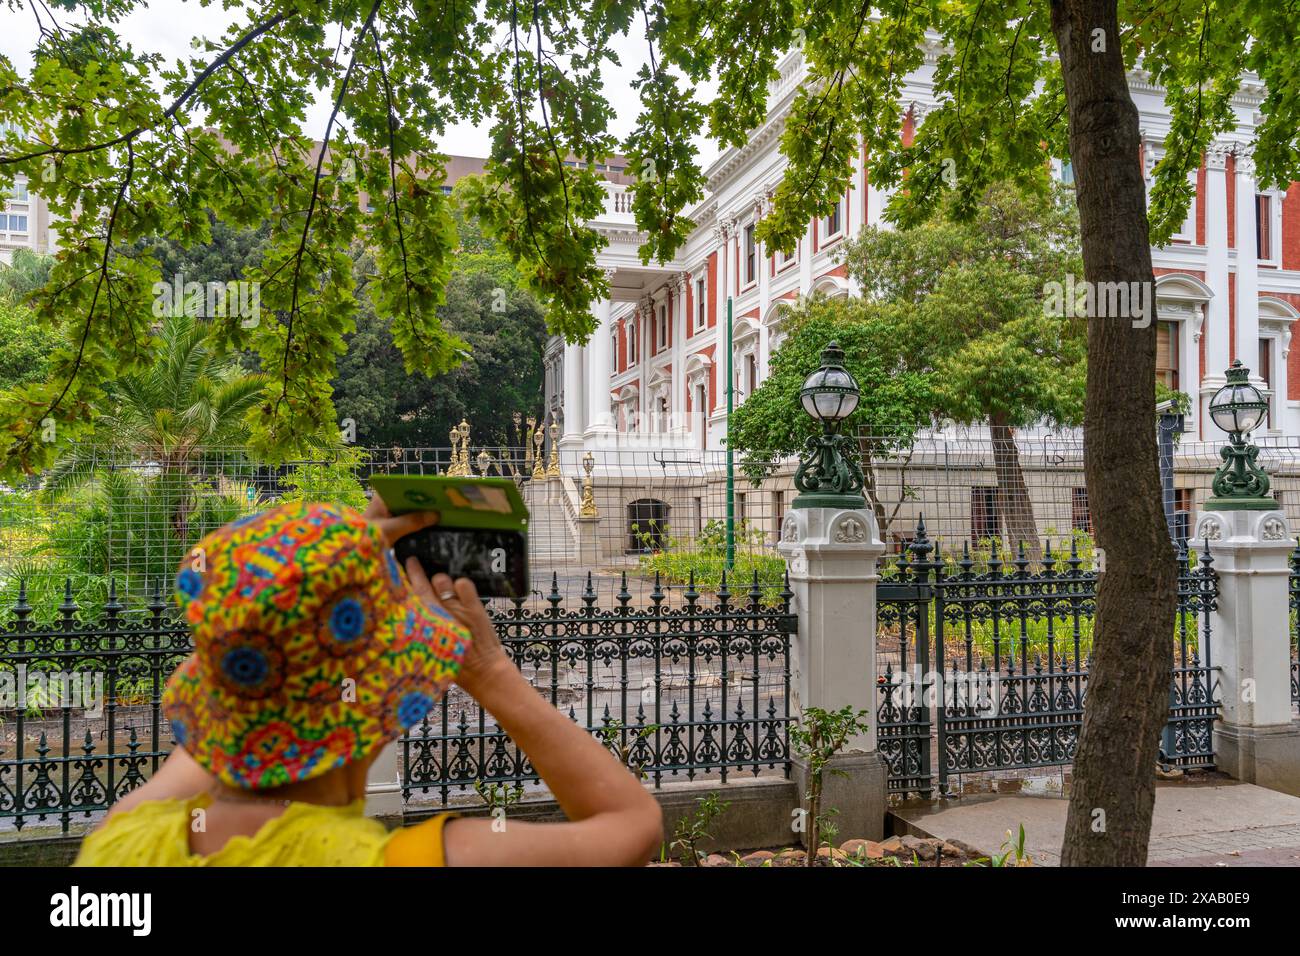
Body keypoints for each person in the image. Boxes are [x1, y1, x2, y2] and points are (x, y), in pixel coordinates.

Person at [74, 496, 662, 866]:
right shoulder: (411, 858)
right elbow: (633, 825)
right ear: (383, 705)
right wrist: (491, 673)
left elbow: (235, 720)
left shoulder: (123, 843)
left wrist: (322, 566)